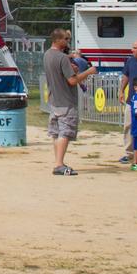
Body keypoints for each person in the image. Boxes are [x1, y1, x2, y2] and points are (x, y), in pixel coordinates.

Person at [43, 28, 96, 175]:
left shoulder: (47, 55)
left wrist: (70, 59)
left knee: (56, 133)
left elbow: (60, 68)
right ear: (58, 40)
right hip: (66, 101)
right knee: (65, 133)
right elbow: (72, 80)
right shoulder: (62, 58)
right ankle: (59, 165)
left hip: (54, 101)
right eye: (65, 39)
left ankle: (57, 161)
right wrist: (89, 72)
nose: (67, 41)